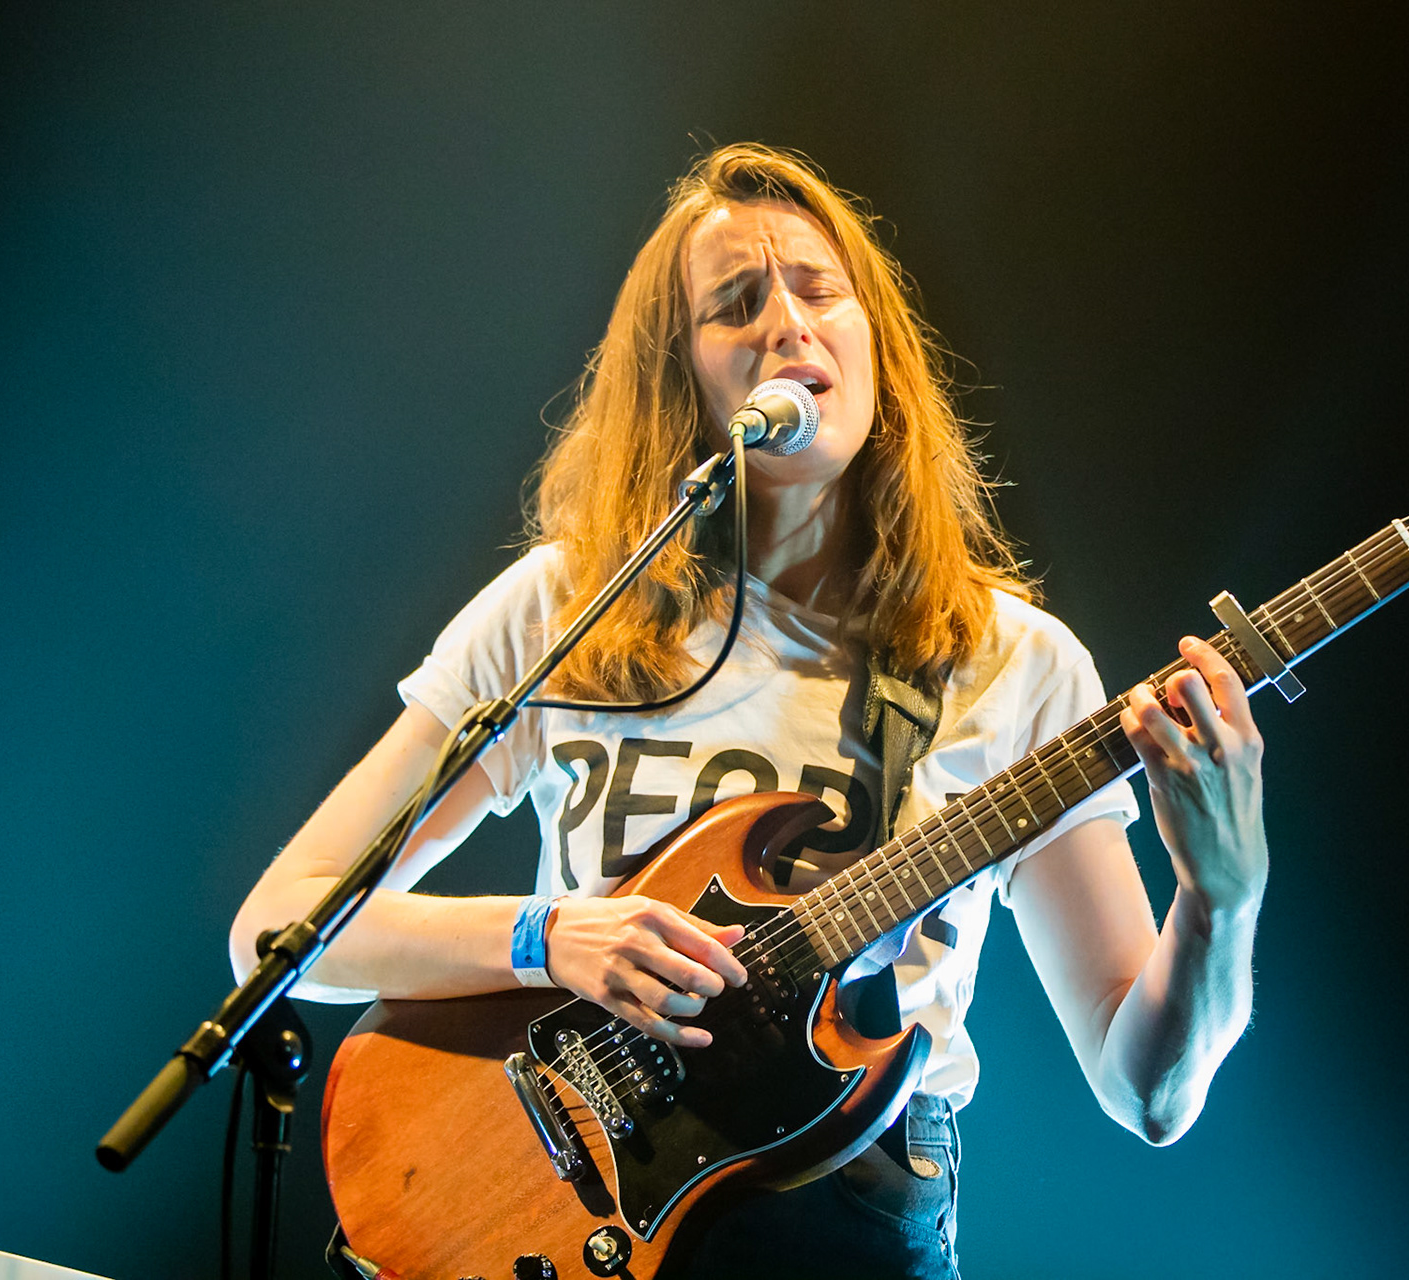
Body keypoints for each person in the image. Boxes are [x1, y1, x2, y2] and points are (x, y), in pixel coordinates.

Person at [231, 143, 1269, 1279]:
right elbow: (278, 929)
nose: (788, 323)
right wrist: (549, 936)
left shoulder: (1009, 659)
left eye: (821, 289)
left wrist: (1223, 899)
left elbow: (1145, 1094)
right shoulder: (565, 606)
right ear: (681, 380)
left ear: (875, 342)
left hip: (850, 1216)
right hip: (582, 1210)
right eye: (736, 303)